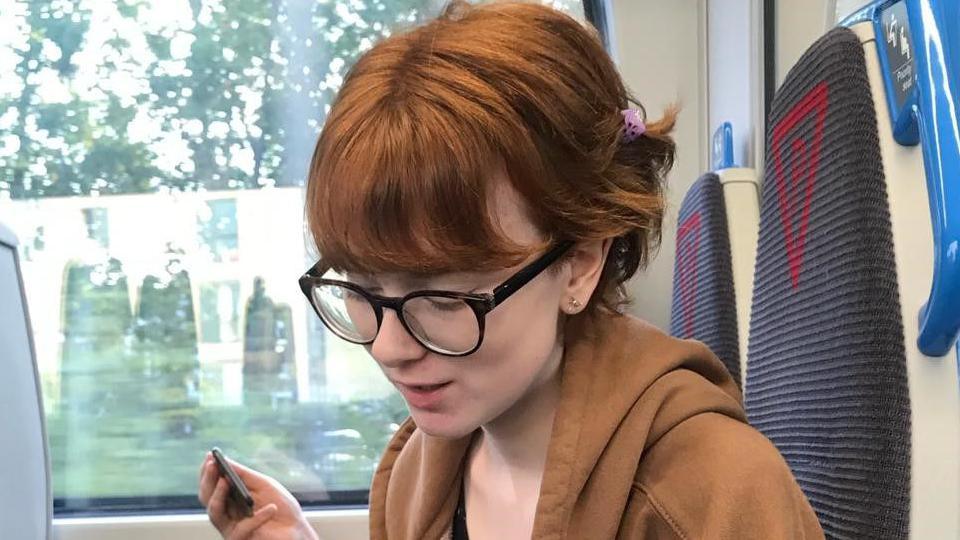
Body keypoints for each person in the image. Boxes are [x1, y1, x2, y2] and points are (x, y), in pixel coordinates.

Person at [198, 1, 825, 538]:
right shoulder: (418, 469)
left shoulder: (712, 495)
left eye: (442, 297)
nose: (388, 348)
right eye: (362, 288)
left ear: (579, 264)